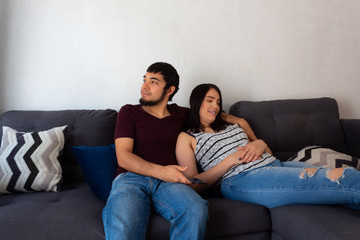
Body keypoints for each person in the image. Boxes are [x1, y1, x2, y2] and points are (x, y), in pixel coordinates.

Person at [102, 63, 254, 240]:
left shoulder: (181, 114)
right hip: (132, 179)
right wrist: (163, 171)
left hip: (171, 184)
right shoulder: (129, 112)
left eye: (153, 82)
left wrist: (241, 121)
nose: (144, 86)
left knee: (195, 210)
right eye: (144, 80)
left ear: (170, 89)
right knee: (123, 226)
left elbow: (209, 112)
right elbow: (124, 157)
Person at [176, 83, 360, 209]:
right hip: (242, 178)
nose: (215, 106)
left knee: (342, 189)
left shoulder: (232, 125)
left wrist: (260, 143)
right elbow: (193, 185)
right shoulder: (187, 138)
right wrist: (231, 160)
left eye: (218, 102)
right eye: (209, 100)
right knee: (340, 178)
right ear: (196, 101)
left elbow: (269, 153)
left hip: (276, 165)